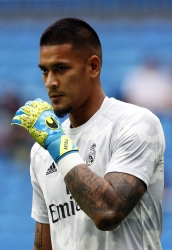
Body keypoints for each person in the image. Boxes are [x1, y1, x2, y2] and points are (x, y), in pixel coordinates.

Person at [11, 18, 165, 250]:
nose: (50, 82)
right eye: (45, 71)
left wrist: (57, 145)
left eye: (61, 68)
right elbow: (44, 245)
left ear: (93, 66)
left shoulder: (136, 124)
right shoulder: (41, 152)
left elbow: (108, 212)